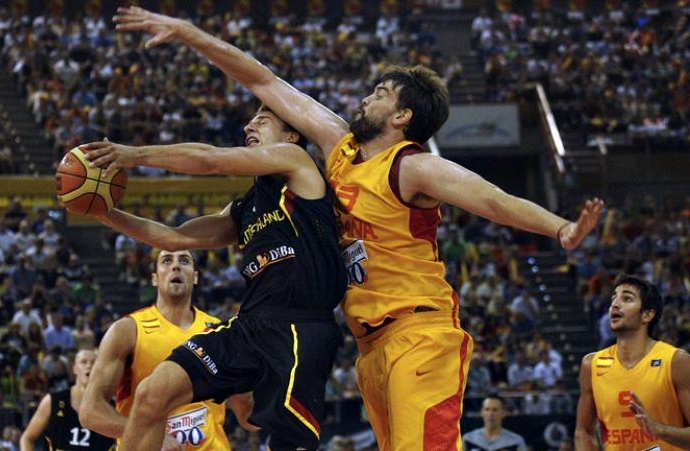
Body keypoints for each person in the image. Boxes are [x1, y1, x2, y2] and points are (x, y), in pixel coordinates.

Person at [112, 6, 604, 449]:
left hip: (420, 333)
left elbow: (491, 198)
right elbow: (264, 81)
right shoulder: (339, 149)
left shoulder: (411, 167)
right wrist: (189, 32)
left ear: (402, 116)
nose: (368, 96)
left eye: (382, 94)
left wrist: (560, 228)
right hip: (370, 346)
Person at [81, 103, 347, 450]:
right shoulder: (246, 207)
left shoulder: (297, 165)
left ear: (292, 135)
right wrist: (104, 212)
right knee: (150, 394)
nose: (250, 126)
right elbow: (172, 238)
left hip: (299, 328)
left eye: (262, 121)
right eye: (249, 121)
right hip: (251, 326)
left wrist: (130, 155)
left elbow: (210, 160)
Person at [79, 250, 244, 449]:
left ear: (196, 276)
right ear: (155, 278)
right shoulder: (128, 330)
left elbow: (247, 412)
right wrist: (148, 433)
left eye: (184, 261)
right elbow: (90, 410)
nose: (176, 266)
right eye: (167, 261)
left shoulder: (219, 330)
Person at [575, 275, 690, 451]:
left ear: (647, 315)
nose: (615, 304)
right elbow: (583, 431)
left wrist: (658, 429)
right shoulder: (591, 365)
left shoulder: (675, 361)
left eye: (627, 298)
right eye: (614, 298)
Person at [19, 349, 115, 451]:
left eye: (94, 363)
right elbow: (27, 438)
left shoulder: (112, 407)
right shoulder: (53, 401)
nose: (89, 366)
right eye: (83, 362)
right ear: (75, 368)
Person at [462, 395, 526, 451]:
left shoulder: (515, 442)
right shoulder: (468, 440)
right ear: (482, 412)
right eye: (487, 409)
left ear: (503, 413)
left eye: (495, 410)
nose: (491, 414)